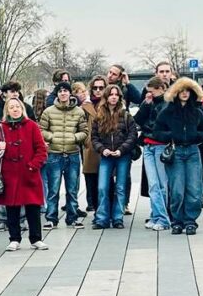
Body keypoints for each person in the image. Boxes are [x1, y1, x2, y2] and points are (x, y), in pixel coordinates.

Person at [0, 98, 49, 251]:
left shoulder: (32, 126)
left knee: (33, 208)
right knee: (12, 209)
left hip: (29, 173)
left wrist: (32, 166)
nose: (15, 109)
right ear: (7, 111)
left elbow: (41, 150)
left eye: (17, 107)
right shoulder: (0, 128)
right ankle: (14, 238)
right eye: (11, 107)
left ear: (22, 109)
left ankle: (36, 238)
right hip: (9, 174)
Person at [154, 78, 203, 235]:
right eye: (181, 90)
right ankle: (177, 220)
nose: (185, 93)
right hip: (175, 151)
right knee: (177, 188)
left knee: (194, 188)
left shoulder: (197, 111)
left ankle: (190, 220)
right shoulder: (167, 111)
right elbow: (157, 131)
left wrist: (195, 136)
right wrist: (172, 135)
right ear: (176, 93)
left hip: (192, 151)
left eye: (187, 91)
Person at [39, 81, 89, 230]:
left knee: (72, 188)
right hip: (54, 154)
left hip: (72, 153)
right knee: (53, 189)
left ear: (70, 93)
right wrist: (53, 137)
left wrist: (74, 138)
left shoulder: (79, 111)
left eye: (65, 91)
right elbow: (41, 130)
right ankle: (51, 218)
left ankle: (72, 217)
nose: (63, 93)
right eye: (60, 91)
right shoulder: (48, 111)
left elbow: (85, 131)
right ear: (57, 94)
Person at [90, 85, 138, 229]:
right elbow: (94, 137)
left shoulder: (125, 115)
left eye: (116, 94)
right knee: (103, 187)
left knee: (121, 187)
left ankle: (118, 218)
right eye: (111, 94)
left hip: (122, 155)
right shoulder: (99, 117)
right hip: (106, 156)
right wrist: (102, 149)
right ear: (106, 97)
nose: (113, 97)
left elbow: (132, 135)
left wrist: (122, 150)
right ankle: (102, 218)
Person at [134, 77, 171, 231]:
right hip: (149, 145)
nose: (149, 94)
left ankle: (163, 219)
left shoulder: (167, 104)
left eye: (152, 91)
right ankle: (157, 215)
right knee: (153, 184)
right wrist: (145, 104)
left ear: (161, 88)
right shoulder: (150, 103)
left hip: (160, 145)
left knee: (160, 184)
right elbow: (137, 120)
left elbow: (159, 124)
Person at [80, 76, 107, 213]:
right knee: (92, 180)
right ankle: (97, 210)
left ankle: (107, 211)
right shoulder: (85, 106)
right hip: (90, 147)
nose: (98, 91)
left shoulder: (110, 104)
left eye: (101, 88)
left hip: (107, 147)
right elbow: (79, 126)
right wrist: (86, 141)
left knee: (107, 182)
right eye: (95, 88)